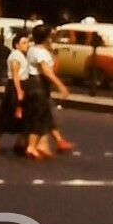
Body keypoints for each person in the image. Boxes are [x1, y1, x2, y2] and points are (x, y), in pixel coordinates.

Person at [24, 23, 73, 160]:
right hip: (39, 85)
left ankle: (39, 146)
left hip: (33, 84)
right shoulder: (41, 53)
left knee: (42, 115)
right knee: (38, 116)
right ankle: (31, 147)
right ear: (46, 37)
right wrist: (60, 85)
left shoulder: (33, 49)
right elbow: (46, 71)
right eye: (50, 36)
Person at [0, 29, 31, 157]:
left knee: (20, 115)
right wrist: (19, 92)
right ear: (16, 45)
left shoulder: (21, 55)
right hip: (16, 86)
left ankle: (20, 142)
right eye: (23, 43)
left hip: (20, 85)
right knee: (10, 114)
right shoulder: (15, 56)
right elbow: (15, 75)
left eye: (27, 43)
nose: (27, 45)